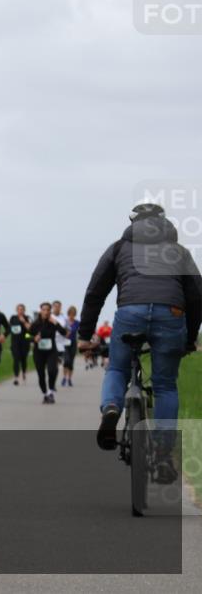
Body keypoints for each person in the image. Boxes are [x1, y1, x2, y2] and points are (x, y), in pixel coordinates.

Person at [77, 203, 201, 484]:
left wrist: (85, 335)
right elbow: (196, 296)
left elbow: (95, 292)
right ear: (164, 223)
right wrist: (190, 337)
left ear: (133, 222)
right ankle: (162, 453)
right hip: (172, 315)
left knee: (117, 370)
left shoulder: (119, 247)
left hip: (130, 312)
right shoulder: (179, 252)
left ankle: (111, 407)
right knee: (165, 385)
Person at [30, 302, 68, 404]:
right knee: (41, 375)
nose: (46, 312)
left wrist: (56, 323)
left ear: (50, 311)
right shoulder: (35, 324)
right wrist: (34, 338)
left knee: (53, 370)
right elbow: (26, 336)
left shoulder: (53, 322)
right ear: (40, 310)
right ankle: (45, 394)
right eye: (44, 310)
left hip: (51, 351)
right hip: (38, 353)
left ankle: (51, 391)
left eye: (48, 310)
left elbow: (64, 333)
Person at [8, 303, 32, 385]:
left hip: (25, 342)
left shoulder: (27, 318)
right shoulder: (13, 318)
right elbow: (9, 327)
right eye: (19, 309)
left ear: (24, 310)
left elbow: (30, 329)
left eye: (22, 309)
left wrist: (24, 322)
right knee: (16, 359)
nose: (20, 311)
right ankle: (16, 377)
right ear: (16, 310)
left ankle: (24, 373)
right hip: (15, 342)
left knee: (23, 360)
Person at [50, 301, 70, 385]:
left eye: (59, 306)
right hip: (52, 342)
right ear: (52, 307)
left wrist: (67, 334)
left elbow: (68, 328)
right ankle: (53, 380)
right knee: (53, 363)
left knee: (66, 361)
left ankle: (64, 377)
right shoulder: (50, 317)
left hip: (62, 342)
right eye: (55, 306)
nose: (57, 308)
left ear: (61, 307)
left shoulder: (64, 317)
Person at [61, 305, 79, 386]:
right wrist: (65, 334)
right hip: (65, 343)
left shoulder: (77, 323)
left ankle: (69, 379)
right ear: (68, 314)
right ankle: (64, 377)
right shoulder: (65, 322)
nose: (72, 315)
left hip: (73, 343)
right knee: (66, 361)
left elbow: (80, 333)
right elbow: (61, 331)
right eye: (70, 314)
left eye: (73, 314)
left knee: (71, 362)